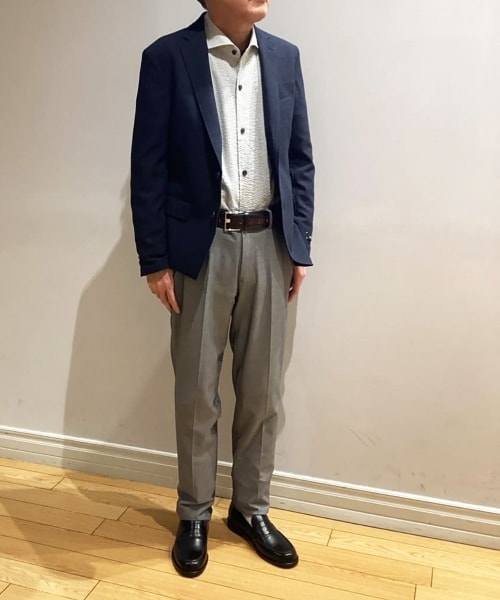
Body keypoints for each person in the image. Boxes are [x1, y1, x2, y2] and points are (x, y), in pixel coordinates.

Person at [130, 0, 314, 578]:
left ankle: (251, 508)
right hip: (199, 248)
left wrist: (299, 243)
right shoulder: (167, 58)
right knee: (197, 393)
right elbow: (148, 165)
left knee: (263, 390)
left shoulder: (285, 59)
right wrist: (155, 259)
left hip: (269, 243)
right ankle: (193, 514)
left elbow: (300, 160)